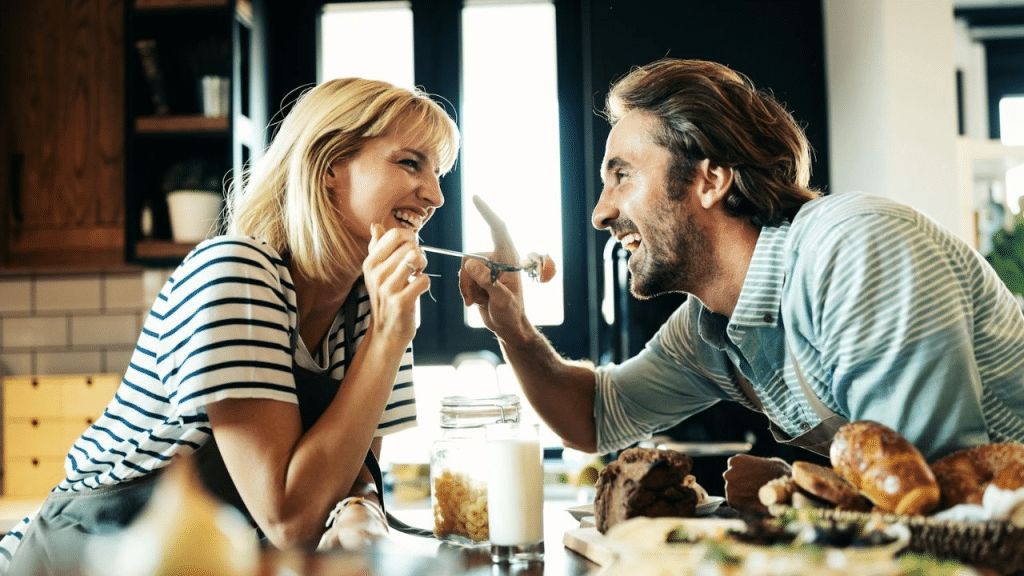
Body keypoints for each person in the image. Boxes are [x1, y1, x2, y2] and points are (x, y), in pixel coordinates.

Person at [459, 58, 1024, 466]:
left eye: (621, 175)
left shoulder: (854, 248)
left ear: (710, 179)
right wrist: (514, 330)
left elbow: (928, 483)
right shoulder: (709, 327)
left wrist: (792, 489)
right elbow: (594, 418)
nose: (601, 213)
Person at [0, 77, 459, 574]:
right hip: (93, 551)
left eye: (439, 172)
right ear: (329, 167)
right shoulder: (236, 271)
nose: (434, 195)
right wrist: (389, 337)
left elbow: (353, 472)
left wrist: (360, 509)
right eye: (410, 162)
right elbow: (289, 518)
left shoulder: (374, 304)